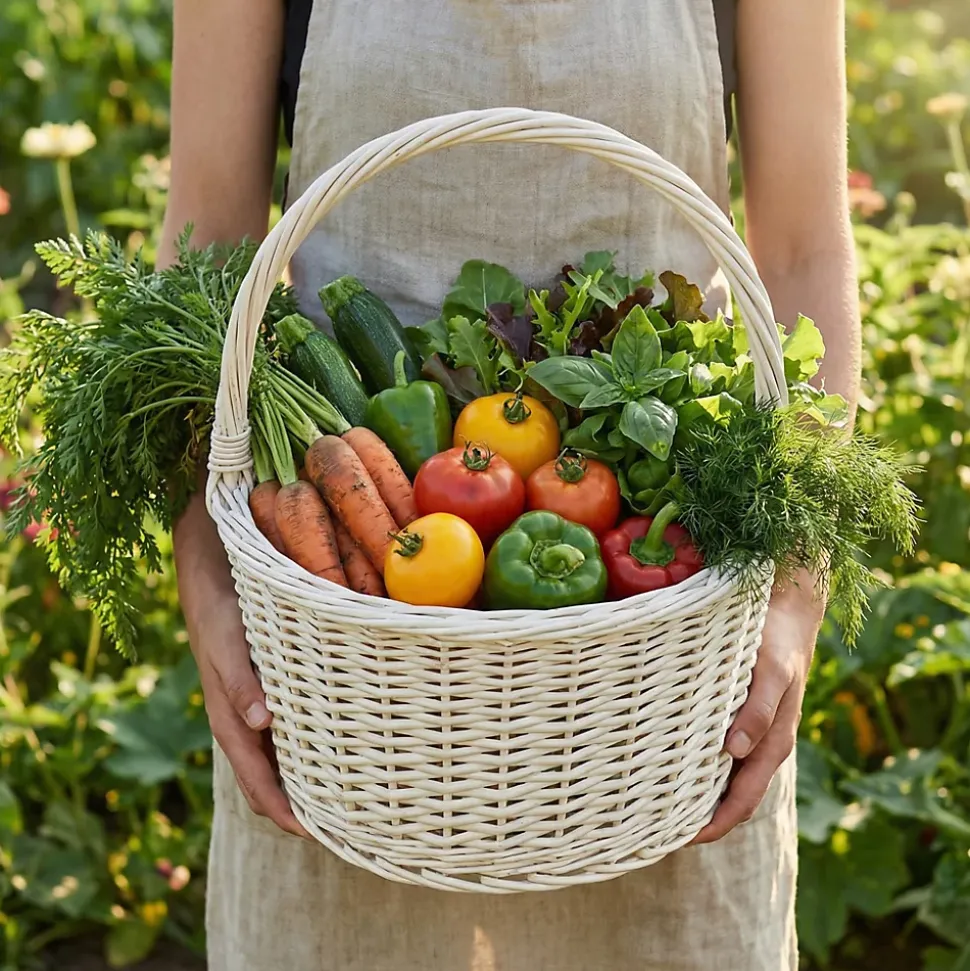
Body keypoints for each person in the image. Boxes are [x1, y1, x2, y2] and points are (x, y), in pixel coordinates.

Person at [161, 2, 859, 969]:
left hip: (661, 692)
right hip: (345, 678)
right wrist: (207, 581)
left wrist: (795, 589)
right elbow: (208, 240)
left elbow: (800, 252)